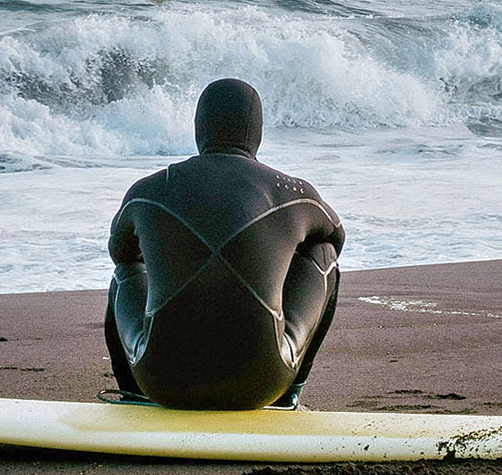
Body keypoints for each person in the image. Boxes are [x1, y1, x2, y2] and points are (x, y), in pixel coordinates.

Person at [105, 78, 344, 410]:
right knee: (324, 254)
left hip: (162, 381)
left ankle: (132, 395)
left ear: (199, 127)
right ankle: (290, 396)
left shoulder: (149, 189)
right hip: (262, 381)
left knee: (125, 271)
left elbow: (120, 253)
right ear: (257, 130)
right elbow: (336, 236)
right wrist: (272, 254)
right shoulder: (290, 191)